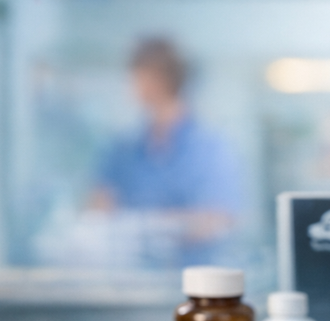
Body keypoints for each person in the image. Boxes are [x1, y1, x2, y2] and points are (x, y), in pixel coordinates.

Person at [89, 38, 242, 265]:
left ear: (157, 79)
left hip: (194, 278)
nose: (131, 85)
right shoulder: (123, 147)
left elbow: (219, 219)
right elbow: (98, 211)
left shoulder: (211, 147)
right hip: (130, 280)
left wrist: (144, 228)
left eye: (137, 75)